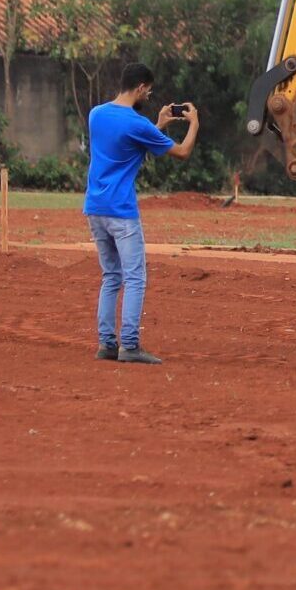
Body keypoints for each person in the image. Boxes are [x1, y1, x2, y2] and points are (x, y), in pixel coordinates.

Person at [84, 64, 198, 365]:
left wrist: (158, 124)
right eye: (147, 90)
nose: (148, 95)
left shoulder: (96, 114)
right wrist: (194, 124)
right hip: (121, 210)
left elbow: (128, 147)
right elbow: (182, 153)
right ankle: (130, 345)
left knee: (111, 275)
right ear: (139, 88)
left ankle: (107, 343)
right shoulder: (138, 124)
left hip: (95, 207)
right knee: (135, 277)